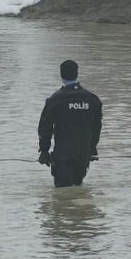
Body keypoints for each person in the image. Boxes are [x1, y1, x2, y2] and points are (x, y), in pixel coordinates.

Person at [37, 59, 103, 187]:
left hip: (63, 156)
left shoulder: (55, 100)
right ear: (77, 74)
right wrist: (93, 148)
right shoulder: (92, 99)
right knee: (78, 190)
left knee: (63, 195)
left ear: (61, 75)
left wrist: (44, 151)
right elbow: (97, 126)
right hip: (83, 155)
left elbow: (45, 128)